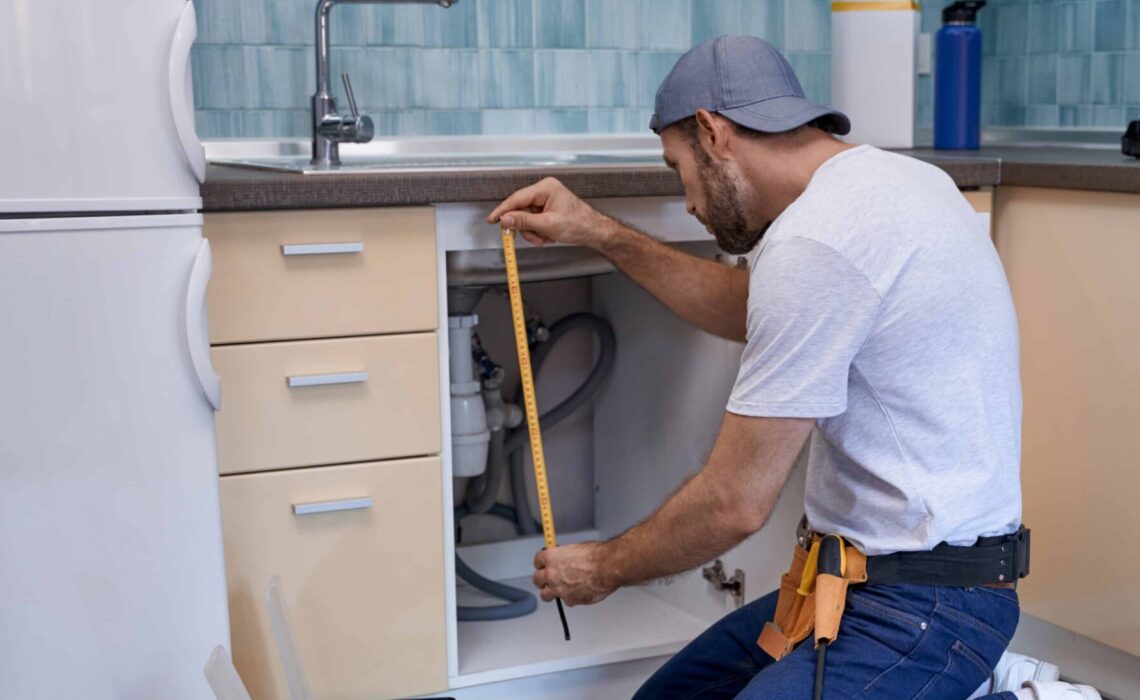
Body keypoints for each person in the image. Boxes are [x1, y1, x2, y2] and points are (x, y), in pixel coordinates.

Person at [488, 36, 1031, 699]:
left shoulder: (815, 240)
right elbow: (753, 309)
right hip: (853, 586)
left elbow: (733, 505)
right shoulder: (897, 182)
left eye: (676, 168)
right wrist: (603, 233)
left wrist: (602, 567)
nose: (686, 200)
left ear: (713, 132)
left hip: (930, 607)